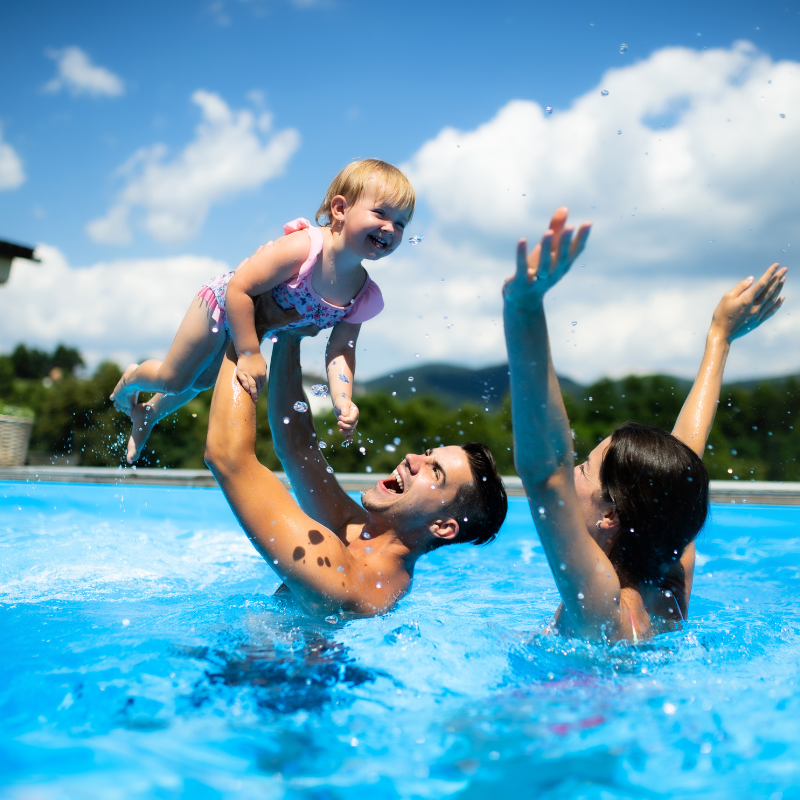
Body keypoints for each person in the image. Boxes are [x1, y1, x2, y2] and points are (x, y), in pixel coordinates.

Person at [504, 207, 786, 642]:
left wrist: (523, 309)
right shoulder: (667, 582)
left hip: (569, 709)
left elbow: (544, 474)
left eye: (580, 470)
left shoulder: (600, 602)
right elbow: (679, 468)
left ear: (611, 515)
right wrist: (719, 338)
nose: (569, 472)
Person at [202, 315, 508, 617]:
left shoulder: (343, 579)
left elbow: (227, 458)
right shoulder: (361, 534)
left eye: (435, 471)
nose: (412, 459)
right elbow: (297, 446)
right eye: (426, 454)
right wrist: (288, 333)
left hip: (260, 667)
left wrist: (249, 329)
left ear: (442, 526)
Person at [111, 159, 414, 463]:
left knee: (202, 380)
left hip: (253, 325)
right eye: (380, 213)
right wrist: (249, 354)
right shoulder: (304, 249)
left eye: (401, 223)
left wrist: (343, 398)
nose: (391, 228)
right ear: (340, 209)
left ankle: (148, 414)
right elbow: (240, 288)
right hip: (221, 305)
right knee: (173, 379)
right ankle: (131, 379)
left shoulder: (361, 291)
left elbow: (340, 350)